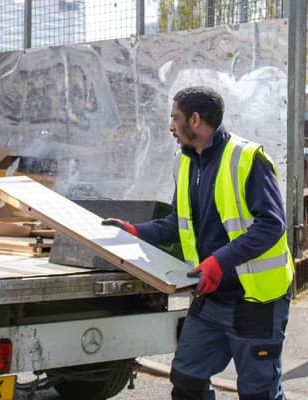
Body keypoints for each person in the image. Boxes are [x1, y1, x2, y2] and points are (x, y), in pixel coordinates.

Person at [103, 86, 294, 400]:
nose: (170, 127)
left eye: (175, 118)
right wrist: (135, 232)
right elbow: (177, 225)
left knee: (259, 393)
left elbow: (273, 225)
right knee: (187, 382)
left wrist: (219, 261)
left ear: (195, 119)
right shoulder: (187, 163)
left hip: (257, 301)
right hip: (212, 299)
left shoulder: (247, 159)